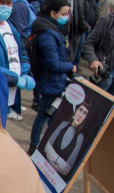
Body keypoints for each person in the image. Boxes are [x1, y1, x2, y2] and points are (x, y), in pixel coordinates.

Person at [27, 0, 76, 155]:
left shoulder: (51, 29)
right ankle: (34, 146)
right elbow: (54, 64)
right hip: (51, 82)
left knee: (52, 115)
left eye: (67, 14)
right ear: (53, 13)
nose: (66, 17)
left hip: (53, 81)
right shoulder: (48, 35)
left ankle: (44, 143)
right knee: (44, 115)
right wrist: (70, 67)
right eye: (63, 14)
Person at [0, 0, 36, 121]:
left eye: (8, 3)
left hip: (9, 94)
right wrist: (14, 79)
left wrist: (25, 72)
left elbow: (21, 52)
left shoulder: (11, 25)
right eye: (0, 2)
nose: (5, 6)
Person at [43, 100, 91, 178]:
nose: (80, 115)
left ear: (85, 118)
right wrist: (60, 161)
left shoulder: (80, 137)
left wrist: (50, 158)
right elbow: (46, 146)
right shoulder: (64, 124)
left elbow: (66, 170)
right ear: (76, 110)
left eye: (85, 113)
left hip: (56, 178)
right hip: (43, 167)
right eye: (80, 110)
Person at [82, 10, 114, 99]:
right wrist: (93, 60)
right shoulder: (109, 21)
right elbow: (88, 43)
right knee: (91, 103)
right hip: (105, 71)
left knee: (110, 109)